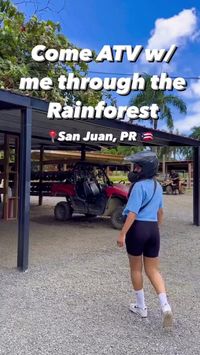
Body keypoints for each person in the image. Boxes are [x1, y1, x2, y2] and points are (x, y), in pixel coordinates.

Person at [117, 151, 173, 328]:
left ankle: (141, 307)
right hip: (153, 230)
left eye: (138, 166)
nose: (135, 169)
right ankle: (165, 306)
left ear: (144, 169)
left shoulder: (138, 186)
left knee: (136, 269)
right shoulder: (157, 186)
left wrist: (122, 234)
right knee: (153, 270)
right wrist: (157, 228)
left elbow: (132, 212)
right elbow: (160, 212)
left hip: (138, 229)